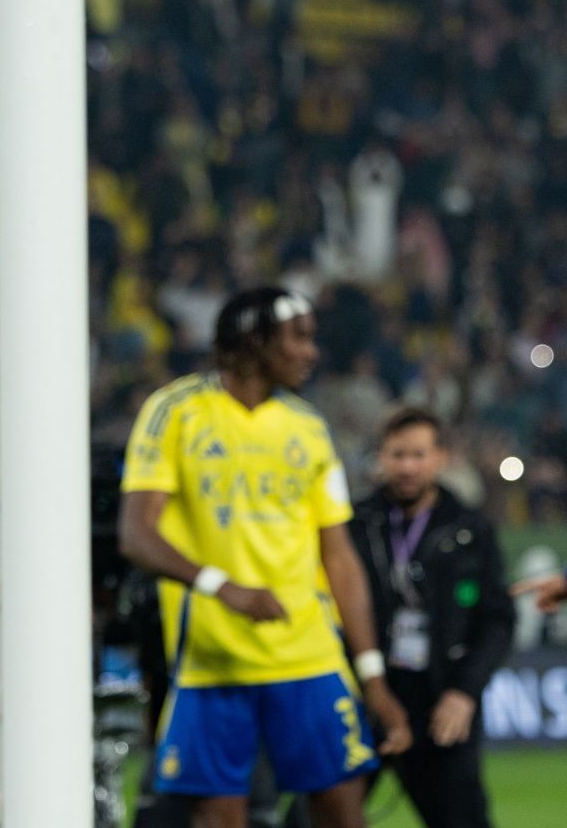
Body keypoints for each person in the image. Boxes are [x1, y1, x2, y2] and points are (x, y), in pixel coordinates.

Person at [118, 288, 411, 828]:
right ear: (254, 342)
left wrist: (371, 675)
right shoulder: (176, 411)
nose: (311, 352)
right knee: (220, 820)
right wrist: (223, 588)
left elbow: (339, 557)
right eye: (298, 337)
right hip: (211, 664)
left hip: (309, 658)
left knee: (346, 817)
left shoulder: (308, 427)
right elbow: (137, 534)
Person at [347, 407, 512, 828]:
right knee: (317, 816)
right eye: (397, 455)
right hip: (365, 697)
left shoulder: (471, 531)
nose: (407, 467)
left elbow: (496, 621)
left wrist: (465, 692)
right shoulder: (352, 527)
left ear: (441, 458)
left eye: (418, 455)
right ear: (381, 458)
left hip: (441, 701)